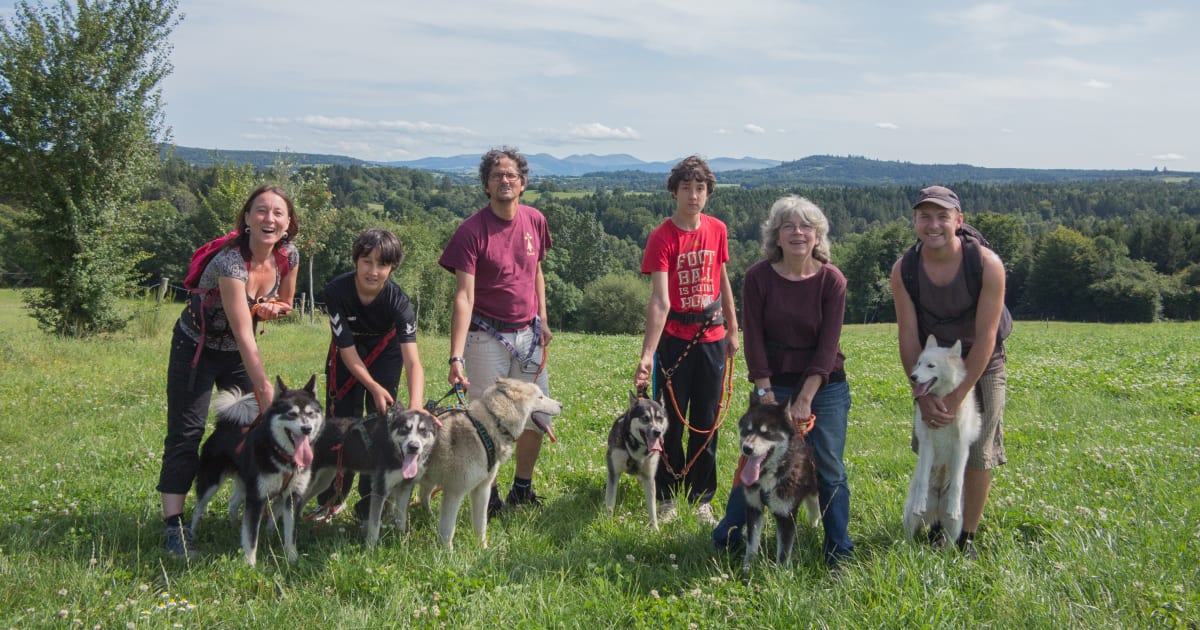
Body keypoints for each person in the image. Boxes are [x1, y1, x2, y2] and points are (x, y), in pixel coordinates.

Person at [711, 195, 854, 570]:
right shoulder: (759, 277)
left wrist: (806, 397)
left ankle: (839, 550)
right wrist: (764, 390)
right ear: (776, 234)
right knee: (753, 459)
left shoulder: (832, 280)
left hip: (823, 385)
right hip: (771, 381)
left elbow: (828, 347)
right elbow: (753, 337)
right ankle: (728, 533)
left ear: (818, 235)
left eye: (806, 226)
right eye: (788, 226)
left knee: (828, 466)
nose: (797, 233)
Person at [158, 184, 300, 559]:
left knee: (251, 428)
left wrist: (274, 309)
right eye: (261, 211)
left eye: (278, 213)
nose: (269, 218)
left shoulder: (289, 255)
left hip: (235, 352)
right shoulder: (230, 263)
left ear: (288, 224)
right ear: (247, 218)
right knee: (186, 434)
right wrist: (266, 390)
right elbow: (243, 335)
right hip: (197, 349)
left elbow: (287, 302)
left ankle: (255, 498)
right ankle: (174, 528)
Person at [890, 184, 1008, 559]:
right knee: (933, 442)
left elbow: (987, 335)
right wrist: (921, 398)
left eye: (943, 216)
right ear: (915, 221)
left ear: (959, 221)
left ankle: (966, 537)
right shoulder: (905, 269)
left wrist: (958, 396)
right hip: (931, 365)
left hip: (980, 361)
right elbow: (908, 335)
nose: (933, 224)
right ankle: (938, 527)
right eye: (925, 216)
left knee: (976, 450)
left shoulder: (986, 264)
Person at [439, 146, 553, 518]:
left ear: (523, 183)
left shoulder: (535, 220)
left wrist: (544, 319)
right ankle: (489, 493)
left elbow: (536, 271)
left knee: (537, 414)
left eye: (512, 175)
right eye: (497, 176)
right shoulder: (472, 231)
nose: (505, 181)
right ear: (486, 185)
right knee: (486, 419)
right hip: (487, 335)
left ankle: (523, 486)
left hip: (529, 334)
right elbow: (463, 295)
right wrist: (456, 356)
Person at [634, 155, 739, 526]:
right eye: (686, 188)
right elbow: (660, 300)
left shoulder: (717, 229)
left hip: (711, 336)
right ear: (674, 192)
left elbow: (722, 277)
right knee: (670, 423)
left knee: (707, 423)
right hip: (675, 341)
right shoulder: (662, 236)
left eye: (700, 188)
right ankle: (666, 495)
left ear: (708, 193)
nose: (693, 196)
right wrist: (648, 355)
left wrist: (733, 327)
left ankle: (702, 497)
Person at [315, 228, 426, 520]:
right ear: (356, 261)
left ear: (392, 268)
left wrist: (416, 406)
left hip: (385, 352)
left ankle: (371, 504)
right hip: (348, 354)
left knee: (380, 426)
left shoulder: (399, 302)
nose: (373, 271)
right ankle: (331, 499)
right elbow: (347, 353)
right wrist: (372, 386)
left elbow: (413, 361)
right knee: (340, 425)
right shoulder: (336, 291)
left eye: (382, 265)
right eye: (367, 261)